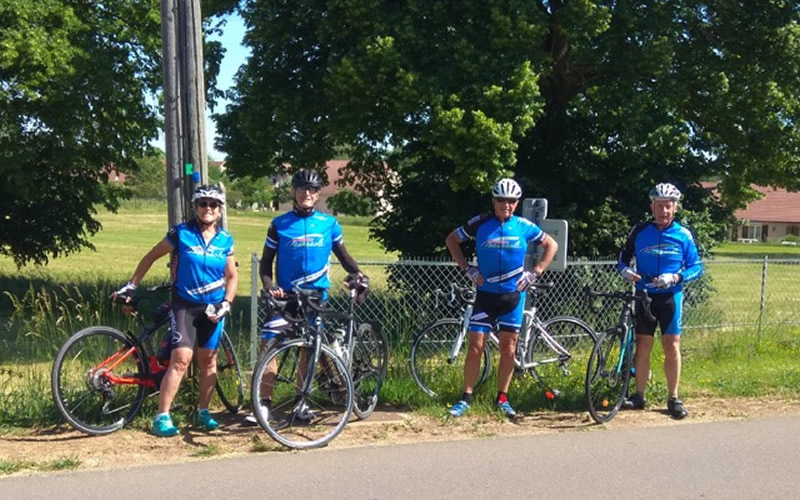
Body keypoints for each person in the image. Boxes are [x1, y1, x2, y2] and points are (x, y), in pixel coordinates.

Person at [112, 185, 238, 436]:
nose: (208, 209)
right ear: (195, 207)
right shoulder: (181, 233)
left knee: (209, 362)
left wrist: (227, 302)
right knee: (180, 359)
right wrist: (132, 285)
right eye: (203, 204)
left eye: (213, 204)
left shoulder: (226, 240)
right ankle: (162, 417)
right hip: (185, 305)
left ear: (220, 209)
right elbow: (150, 256)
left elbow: (232, 276)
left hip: (213, 307)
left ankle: (203, 412)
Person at [245, 168, 368, 424]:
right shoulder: (279, 224)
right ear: (294, 192)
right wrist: (268, 285)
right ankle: (263, 405)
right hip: (286, 296)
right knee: (270, 346)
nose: (307, 194)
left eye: (312, 189)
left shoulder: (329, 224)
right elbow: (266, 264)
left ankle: (301, 404)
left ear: (318, 193)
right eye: (302, 189)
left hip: (315, 297)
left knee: (308, 351)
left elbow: (344, 258)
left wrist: (359, 274)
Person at [444, 178, 558, 419]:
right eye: (501, 200)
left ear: (516, 203)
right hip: (485, 295)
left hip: (513, 296)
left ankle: (503, 398)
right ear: (493, 201)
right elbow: (452, 240)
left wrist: (535, 272)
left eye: (511, 201)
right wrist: (467, 268)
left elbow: (551, 245)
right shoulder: (481, 223)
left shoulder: (524, 226)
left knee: (509, 349)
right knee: (476, 345)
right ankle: (466, 397)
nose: (506, 204)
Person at [617, 182, 703, 419]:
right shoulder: (639, 231)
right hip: (644, 294)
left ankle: (673, 397)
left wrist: (676, 277)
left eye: (668, 206)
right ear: (651, 206)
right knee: (643, 345)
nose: (663, 211)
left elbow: (697, 267)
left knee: (671, 345)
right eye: (659, 206)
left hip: (670, 296)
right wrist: (624, 271)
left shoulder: (683, 234)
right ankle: (639, 395)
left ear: (675, 208)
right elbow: (622, 258)